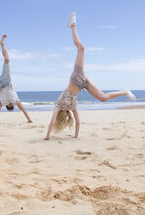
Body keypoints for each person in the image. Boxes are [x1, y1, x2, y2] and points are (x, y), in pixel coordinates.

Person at [44, 12, 136, 140]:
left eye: (63, 117)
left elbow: (51, 122)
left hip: (76, 78)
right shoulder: (72, 107)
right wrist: (76, 136)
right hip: (84, 84)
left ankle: (73, 25)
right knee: (103, 98)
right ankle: (125, 91)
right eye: (66, 117)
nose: (65, 116)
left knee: (81, 48)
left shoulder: (58, 105)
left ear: (60, 116)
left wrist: (47, 137)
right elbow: (78, 121)